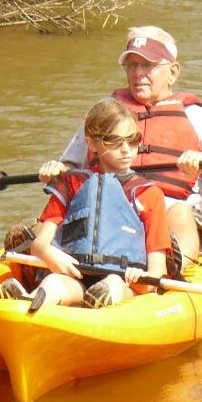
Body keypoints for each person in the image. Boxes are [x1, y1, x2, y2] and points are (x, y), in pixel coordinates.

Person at [37, 25, 202, 270]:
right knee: (54, 215)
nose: (138, 73)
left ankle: (170, 269)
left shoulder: (200, 119)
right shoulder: (107, 112)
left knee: (181, 212)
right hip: (106, 203)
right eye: (132, 65)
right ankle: (34, 256)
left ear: (173, 72)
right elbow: (70, 170)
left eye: (148, 65)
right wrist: (56, 169)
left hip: (169, 212)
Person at [25, 99, 171, 310]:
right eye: (114, 141)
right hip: (75, 276)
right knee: (54, 283)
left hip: (124, 281)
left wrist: (143, 277)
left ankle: (99, 305)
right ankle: (27, 303)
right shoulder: (72, 183)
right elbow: (39, 244)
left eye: (132, 140)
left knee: (111, 284)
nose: (126, 150)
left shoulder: (149, 193)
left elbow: (158, 269)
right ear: (92, 144)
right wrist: (48, 253)